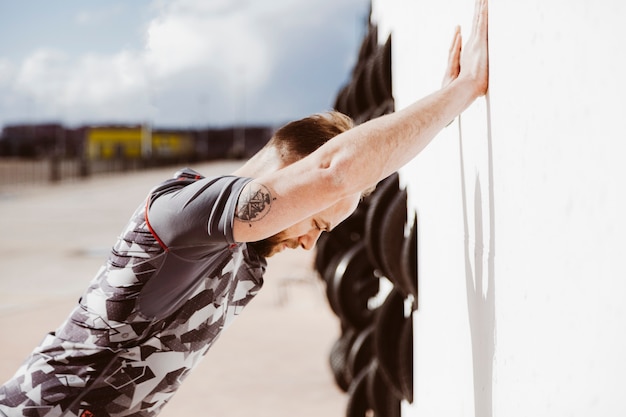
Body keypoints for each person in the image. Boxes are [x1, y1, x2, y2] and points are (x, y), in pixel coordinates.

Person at [0, 0, 488, 415]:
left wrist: (435, 119)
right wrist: (460, 92)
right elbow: (334, 173)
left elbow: (353, 173)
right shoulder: (189, 212)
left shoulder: (245, 250)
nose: (308, 242)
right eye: (316, 222)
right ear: (291, 166)